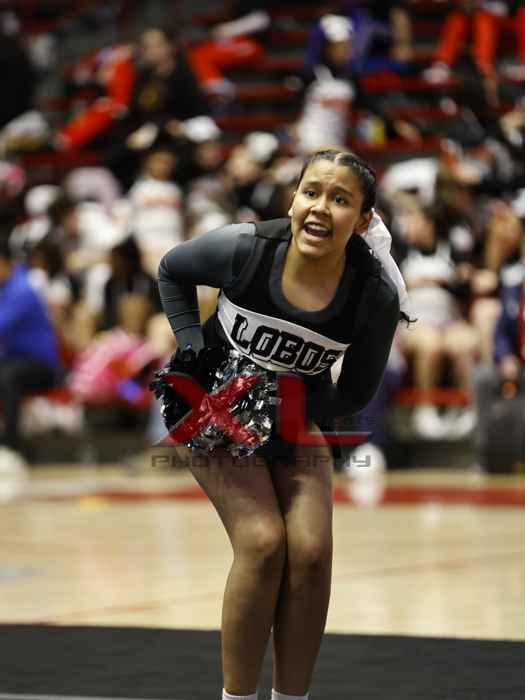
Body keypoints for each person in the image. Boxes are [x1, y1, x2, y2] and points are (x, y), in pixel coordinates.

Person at [156, 149, 401, 700]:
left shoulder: (373, 295)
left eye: (340, 199)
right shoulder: (247, 247)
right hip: (213, 401)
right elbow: (172, 269)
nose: (320, 208)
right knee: (263, 542)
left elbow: (357, 390)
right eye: (311, 192)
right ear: (293, 199)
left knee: (310, 553)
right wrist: (191, 346)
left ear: (363, 220)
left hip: (293, 411)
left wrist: (291, 406)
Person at [0, 236, 61, 465]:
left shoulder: (22, 288)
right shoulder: (5, 287)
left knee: (7, 377)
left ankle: (12, 446)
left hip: (41, 366)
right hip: (13, 360)